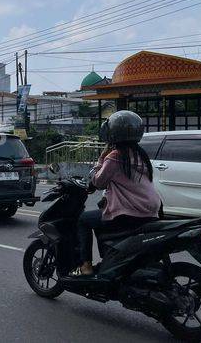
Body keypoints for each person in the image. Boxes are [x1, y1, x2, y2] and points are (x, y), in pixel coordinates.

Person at [75, 110, 161, 276]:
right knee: (101, 217)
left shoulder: (115, 156)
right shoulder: (140, 154)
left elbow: (98, 182)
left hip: (130, 212)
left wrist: (101, 159)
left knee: (84, 220)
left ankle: (86, 266)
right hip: (151, 211)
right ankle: (110, 259)